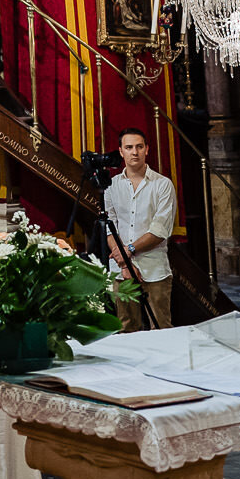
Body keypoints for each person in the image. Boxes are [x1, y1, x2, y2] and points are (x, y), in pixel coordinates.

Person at [102, 126, 175, 332]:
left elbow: (160, 230)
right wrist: (125, 264)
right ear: (120, 151)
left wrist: (129, 251)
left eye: (139, 147)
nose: (134, 152)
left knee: (161, 329)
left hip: (155, 269)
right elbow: (110, 228)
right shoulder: (111, 186)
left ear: (147, 149)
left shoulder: (162, 185)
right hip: (122, 271)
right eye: (129, 147)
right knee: (126, 330)